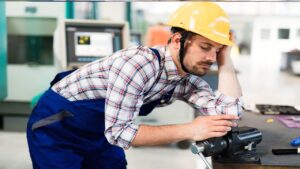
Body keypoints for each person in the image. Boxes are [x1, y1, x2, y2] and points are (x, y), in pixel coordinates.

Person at [26, 2, 243, 169]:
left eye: (217, 50)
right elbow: (120, 134)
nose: (211, 57)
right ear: (178, 40)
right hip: (57, 129)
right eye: (206, 47)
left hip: (99, 134)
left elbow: (229, 113)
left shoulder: (183, 79)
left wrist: (226, 58)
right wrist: (189, 130)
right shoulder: (138, 64)